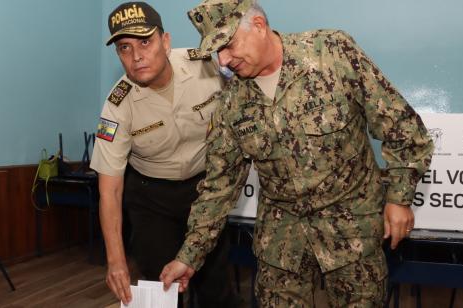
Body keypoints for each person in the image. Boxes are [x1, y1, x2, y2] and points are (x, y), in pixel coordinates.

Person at [160, 0, 434, 306]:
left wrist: (399, 198)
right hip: (282, 244)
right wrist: (189, 256)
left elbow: (402, 126)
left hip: (351, 232)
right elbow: (218, 187)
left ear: (259, 26)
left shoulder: (332, 52)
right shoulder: (231, 104)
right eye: (216, 51)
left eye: (228, 44)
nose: (223, 60)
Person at [90, 2, 235, 306]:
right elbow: (110, 188)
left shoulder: (204, 66)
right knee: (163, 289)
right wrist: (115, 260)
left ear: (165, 42)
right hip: (150, 197)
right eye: (124, 48)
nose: (137, 56)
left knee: (216, 286)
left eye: (145, 42)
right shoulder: (118, 105)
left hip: (203, 191)